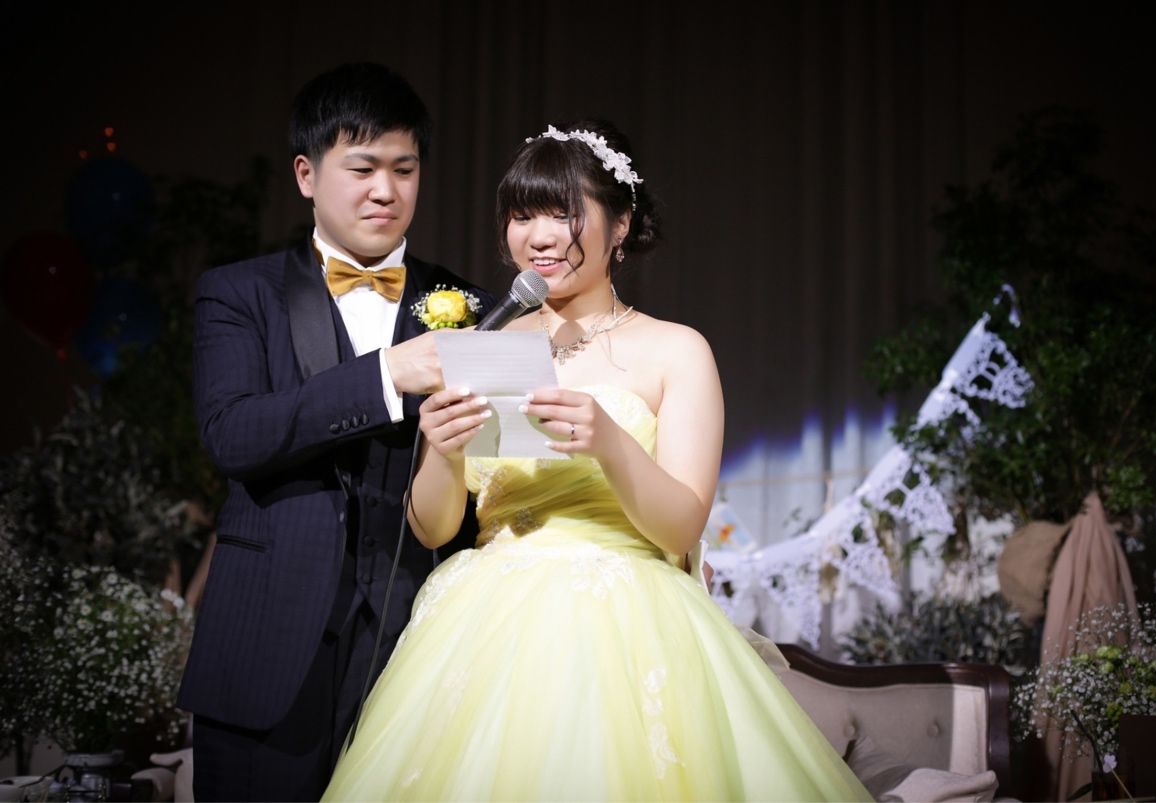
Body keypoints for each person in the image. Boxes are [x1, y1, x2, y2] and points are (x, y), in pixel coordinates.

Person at [320, 119, 871, 801]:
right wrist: (442, 446)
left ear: (621, 225)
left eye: (565, 214)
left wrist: (609, 442)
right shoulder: (485, 342)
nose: (539, 236)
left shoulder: (676, 350)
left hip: (628, 620)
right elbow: (433, 526)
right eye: (522, 216)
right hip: (484, 621)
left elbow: (681, 528)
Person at [177, 62, 494, 802]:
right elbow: (232, 434)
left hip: (414, 645)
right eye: (362, 168)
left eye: (404, 169)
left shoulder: (471, 306)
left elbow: (494, 477)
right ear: (306, 175)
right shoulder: (239, 293)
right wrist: (385, 375)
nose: (385, 190)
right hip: (266, 644)